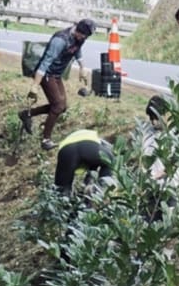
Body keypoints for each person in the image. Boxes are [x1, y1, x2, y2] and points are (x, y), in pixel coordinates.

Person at [21, 19, 95, 151]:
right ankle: (45, 140)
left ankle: (27, 114)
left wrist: (82, 67)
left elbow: (77, 51)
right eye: (84, 36)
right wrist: (35, 85)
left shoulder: (80, 39)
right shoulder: (60, 40)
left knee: (63, 107)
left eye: (86, 37)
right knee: (58, 105)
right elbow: (45, 61)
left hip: (57, 75)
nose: (85, 39)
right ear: (78, 31)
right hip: (46, 74)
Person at [53, 129, 115, 195]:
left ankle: (63, 200)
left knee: (61, 190)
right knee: (109, 163)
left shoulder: (73, 137)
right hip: (90, 147)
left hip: (67, 150)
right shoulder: (103, 146)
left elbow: (92, 172)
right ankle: (100, 193)